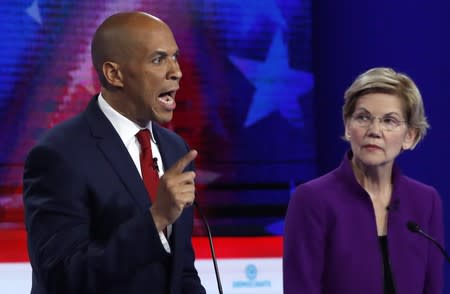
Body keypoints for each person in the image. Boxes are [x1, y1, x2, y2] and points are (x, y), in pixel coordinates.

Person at [23, 12, 206, 294]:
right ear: (114, 74)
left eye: (175, 57)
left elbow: (180, 270)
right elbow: (62, 277)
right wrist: (156, 219)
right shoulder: (58, 155)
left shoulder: (174, 148)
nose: (176, 71)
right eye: (159, 59)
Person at [283, 67, 444, 294]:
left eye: (389, 120)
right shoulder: (312, 199)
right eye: (363, 117)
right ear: (348, 126)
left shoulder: (426, 201)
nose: (374, 130)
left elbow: (432, 287)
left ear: (410, 136)